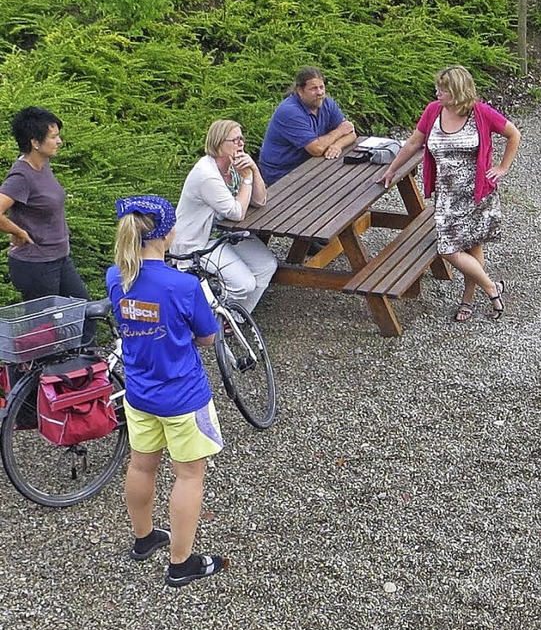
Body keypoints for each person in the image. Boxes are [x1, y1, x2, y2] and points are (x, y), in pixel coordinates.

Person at [106, 195, 228, 588]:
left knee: (142, 465)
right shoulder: (184, 285)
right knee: (189, 476)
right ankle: (181, 563)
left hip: (140, 393)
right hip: (182, 395)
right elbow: (208, 337)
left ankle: (144, 539)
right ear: (165, 233)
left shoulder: (116, 277)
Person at [379, 65, 521, 321]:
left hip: (477, 194)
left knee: (472, 245)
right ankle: (491, 287)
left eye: (443, 89)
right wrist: (392, 170)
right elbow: (414, 142)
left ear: (457, 91)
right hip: (447, 196)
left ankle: (466, 300)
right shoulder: (433, 111)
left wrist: (502, 167)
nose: (437, 92)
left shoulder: (481, 113)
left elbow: (513, 135)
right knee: (448, 249)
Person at [0, 107, 92, 336]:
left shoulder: (42, 165)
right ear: (35, 142)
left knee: (86, 313)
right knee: (43, 333)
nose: (59, 141)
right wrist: (18, 232)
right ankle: (41, 372)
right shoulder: (22, 175)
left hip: (59, 258)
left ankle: (86, 369)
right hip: (35, 264)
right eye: (53, 137)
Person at [172, 120, 276, 314]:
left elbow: (260, 201)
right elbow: (237, 213)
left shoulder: (234, 167)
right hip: (199, 240)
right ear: (219, 144)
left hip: (225, 233)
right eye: (235, 140)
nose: (241, 144)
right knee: (244, 283)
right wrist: (246, 178)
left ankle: (236, 318)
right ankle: (209, 319)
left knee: (266, 265)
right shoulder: (207, 175)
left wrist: (253, 170)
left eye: (241, 139)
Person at [259, 67, 357, 185]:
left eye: (322, 87)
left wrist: (337, 145)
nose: (320, 92)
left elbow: (351, 133)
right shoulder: (290, 112)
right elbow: (316, 149)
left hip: (309, 164)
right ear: (300, 91)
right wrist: (339, 131)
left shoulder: (326, 102)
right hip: (282, 172)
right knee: (336, 185)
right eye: (314, 89)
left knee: (352, 178)